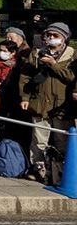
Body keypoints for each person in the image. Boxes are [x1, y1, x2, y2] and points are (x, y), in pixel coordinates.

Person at [18, 22, 75, 184]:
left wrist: (54, 65)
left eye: (55, 36)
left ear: (64, 39)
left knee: (62, 140)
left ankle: (62, 171)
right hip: (40, 103)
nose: (50, 38)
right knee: (38, 140)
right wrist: (25, 97)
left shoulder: (72, 55)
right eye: (48, 35)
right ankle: (39, 170)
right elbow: (25, 77)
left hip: (61, 106)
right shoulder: (36, 54)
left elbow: (71, 77)